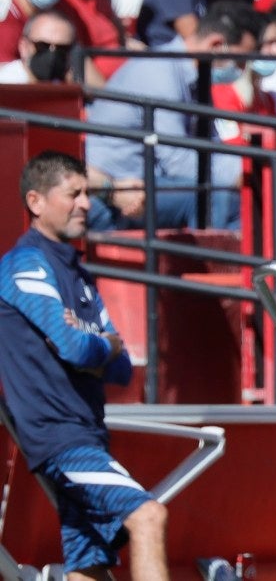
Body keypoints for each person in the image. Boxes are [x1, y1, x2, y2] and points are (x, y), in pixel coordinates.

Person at [0, 150, 168, 580]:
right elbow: (76, 349)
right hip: (60, 440)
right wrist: (100, 346)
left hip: (87, 435)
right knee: (148, 516)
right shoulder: (24, 264)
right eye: (73, 194)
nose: (86, 204)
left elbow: (122, 367)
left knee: (88, 566)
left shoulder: (78, 274)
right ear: (36, 201)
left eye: (87, 193)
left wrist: (99, 347)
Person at [85, 1, 262, 231]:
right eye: (240, 60)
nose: (241, 69)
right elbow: (177, 161)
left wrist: (246, 166)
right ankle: (214, 254)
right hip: (118, 187)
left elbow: (211, 144)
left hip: (152, 182)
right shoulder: (160, 72)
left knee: (242, 192)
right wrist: (242, 171)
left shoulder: (194, 74)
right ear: (216, 45)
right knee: (221, 198)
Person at [0, 8, 75, 84]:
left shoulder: (68, 85)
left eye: (62, 48)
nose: (52, 54)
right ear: (24, 47)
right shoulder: (6, 84)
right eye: (42, 46)